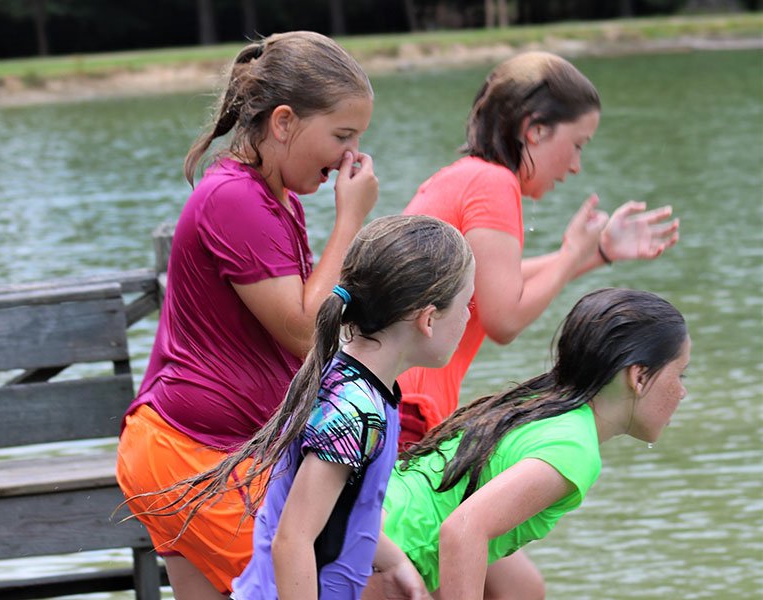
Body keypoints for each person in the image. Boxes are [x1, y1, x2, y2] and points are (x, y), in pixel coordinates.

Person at [115, 31, 378, 599]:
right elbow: (307, 332)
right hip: (192, 450)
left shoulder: (276, 199)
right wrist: (350, 220)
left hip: (205, 451)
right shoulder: (236, 199)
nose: (351, 157)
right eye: (341, 135)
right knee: (317, 583)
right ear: (283, 122)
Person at [139, 214, 475, 600]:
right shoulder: (355, 413)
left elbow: (344, 511)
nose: (468, 316)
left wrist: (395, 561)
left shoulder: (355, 383)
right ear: (428, 319)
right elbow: (293, 539)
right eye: (467, 303)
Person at [396, 51, 681, 447]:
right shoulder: (494, 184)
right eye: (578, 144)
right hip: (407, 407)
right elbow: (504, 318)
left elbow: (497, 283)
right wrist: (570, 253)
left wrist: (595, 253)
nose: (577, 165)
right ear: (535, 130)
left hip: (394, 398)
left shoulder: (465, 176)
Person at [364, 287, 690, 600]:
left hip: (367, 530)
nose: (682, 392)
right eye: (680, 375)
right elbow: (463, 530)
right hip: (379, 559)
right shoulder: (574, 449)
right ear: (639, 377)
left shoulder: (537, 404)